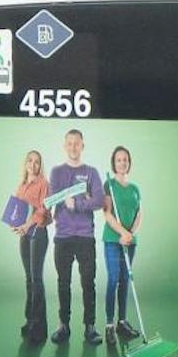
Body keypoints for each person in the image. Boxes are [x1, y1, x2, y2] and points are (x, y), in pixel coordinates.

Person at [48, 129, 105, 345]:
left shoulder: (91, 172)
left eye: (77, 143)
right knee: (63, 283)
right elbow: (53, 198)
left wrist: (79, 203)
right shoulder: (56, 172)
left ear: (83, 146)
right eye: (69, 143)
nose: (73, 147)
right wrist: (76, 197)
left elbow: (99, 200)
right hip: (62, 237)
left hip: (85, 237)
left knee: (88, 283)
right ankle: (64, 325)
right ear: (65, 146)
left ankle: (90, 327)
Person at [102, 145, 143, 345]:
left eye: (125, 159)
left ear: (129, 162)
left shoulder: (135, 188)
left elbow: (140, 215)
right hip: (112, 239)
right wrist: (122, 232)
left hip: (130, 241)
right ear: (114, 163)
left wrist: (131, 233)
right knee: (113, 279)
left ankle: (122, 322)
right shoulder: (108, 184)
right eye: (118, 160)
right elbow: (107, 213)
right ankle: (109, 325)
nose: (122, 163)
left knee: (125, 280)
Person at [10, 150, 51, 343]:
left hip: (38, 233)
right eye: (30, 161)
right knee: (29, 279)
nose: (33, 165)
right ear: (25, 164)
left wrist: (26, 225)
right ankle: (30, 320)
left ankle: (39, 327)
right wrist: (14, 222)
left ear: (40, 165)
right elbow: (18, 210)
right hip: (25, 235)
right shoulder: (21, 186)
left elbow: (43, 209)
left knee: (36, 279)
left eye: (37, 162)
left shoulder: (44, 183)